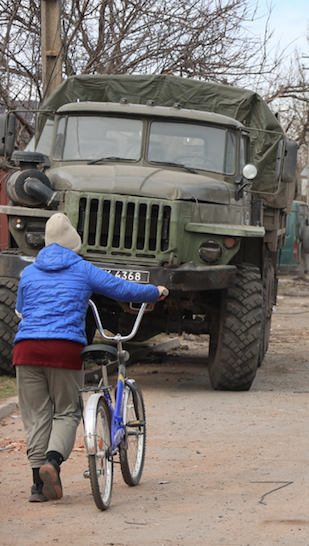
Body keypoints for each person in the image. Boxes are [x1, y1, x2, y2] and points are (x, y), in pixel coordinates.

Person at [14, 213, 168, 503]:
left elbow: (21, 310)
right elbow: (122, 288)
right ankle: (53, 461)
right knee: (67, 411)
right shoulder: (82, 268)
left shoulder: (30, 272)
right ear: (74, 243)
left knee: (35, 416)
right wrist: (155, 292)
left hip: (26, 349)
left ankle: (38, 486)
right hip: (63, 348)